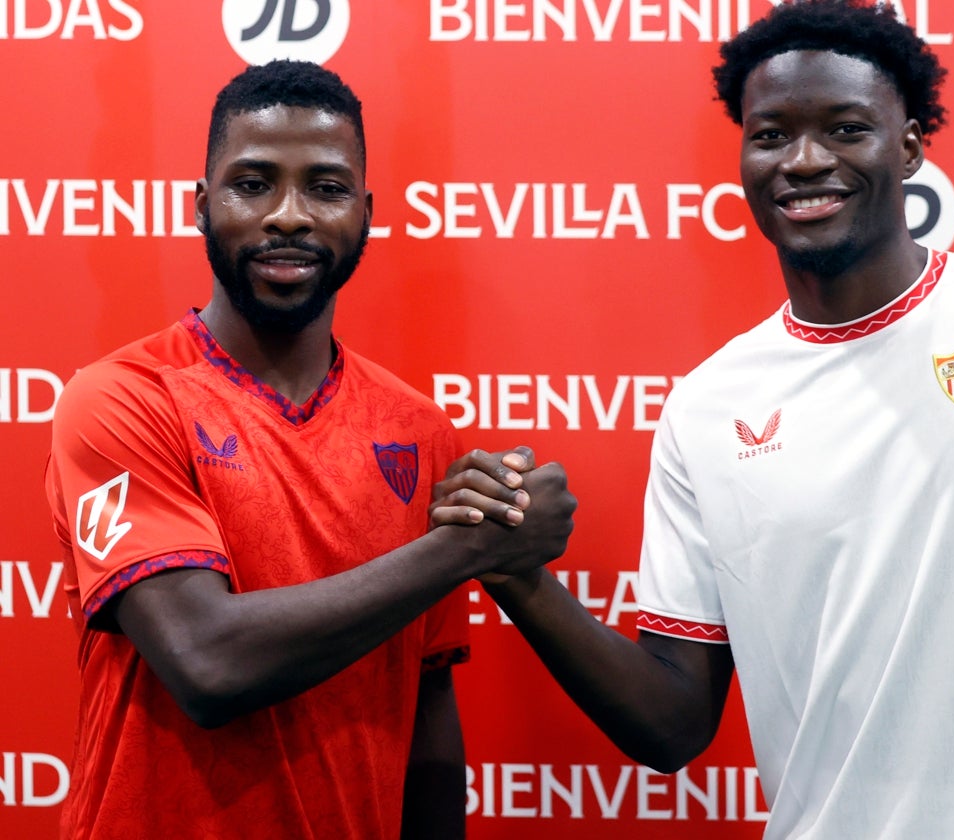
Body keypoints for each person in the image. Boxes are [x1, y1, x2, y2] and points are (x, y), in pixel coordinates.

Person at [435, 1, 954, 837]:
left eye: (844, 129)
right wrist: (520, 578)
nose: (803, 161)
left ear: (908, 146)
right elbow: (671, 723)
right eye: (771, 136)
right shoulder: (707, 406)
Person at [44, 60, 576, 840]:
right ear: (201, 205)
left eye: (324, 189)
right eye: (253, 183)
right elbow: (205, 664)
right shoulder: (125, 397)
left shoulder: (418, 430)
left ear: (364, 213)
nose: (288, 215)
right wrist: (460, 552)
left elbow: (425, 707)